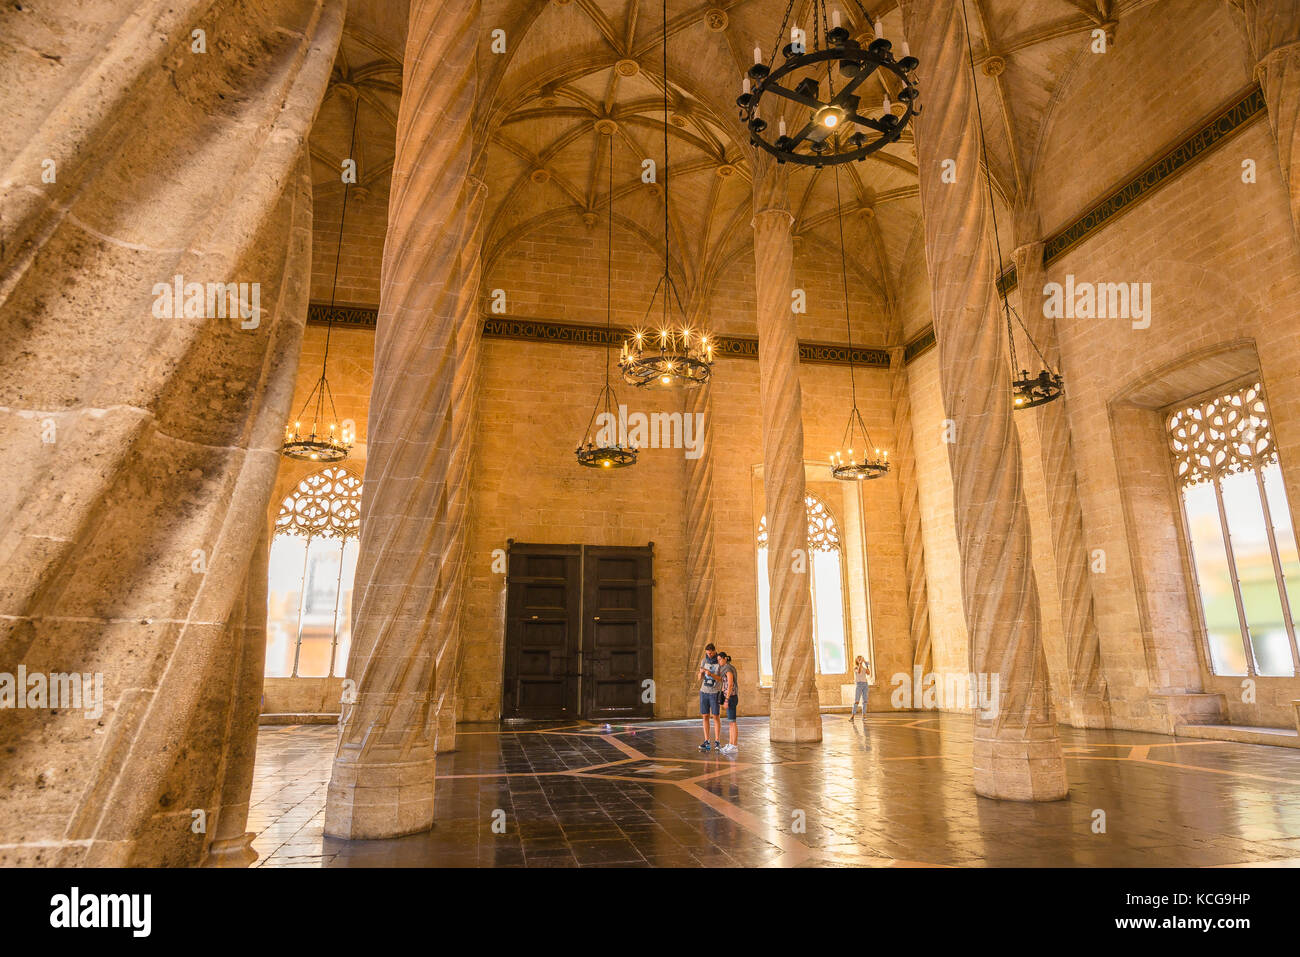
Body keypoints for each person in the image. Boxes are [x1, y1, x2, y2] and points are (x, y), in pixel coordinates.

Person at [697, 643, 723, 751]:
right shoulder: (704, 661)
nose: (709, 655)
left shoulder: (719, 662)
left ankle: (717, 741)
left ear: (715, 651)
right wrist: (701, 672)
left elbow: (721, 678)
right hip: (704, 691)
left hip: (714, 692)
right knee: (705, 716)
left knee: (715, 716)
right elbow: (699, 678)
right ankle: (706, 741)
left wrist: (711, 674)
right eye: (708, 653)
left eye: (711, 653)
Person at [717, 653, 739, 754]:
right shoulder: (726, 668)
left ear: (725, 659)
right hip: (729, 697)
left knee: (733, 722)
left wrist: (726, 699)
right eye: (718, 660)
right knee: (731, 722)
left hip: (731, 698)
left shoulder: (728, 669)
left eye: (720, 659)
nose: (719, 662)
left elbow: (730, 684)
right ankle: (731, 744)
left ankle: (734, 745)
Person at [850, 655, 871, 722]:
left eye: (860, 658)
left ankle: (864, 716)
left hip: (865, 684)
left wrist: (865, 663)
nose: (860, 660)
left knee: (865, 701)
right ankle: (852, 716)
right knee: (857, 701)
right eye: (858, 659)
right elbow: (858, 672)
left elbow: (868, 673)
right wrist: (860, 663)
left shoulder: (864, 668)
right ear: (856, 660)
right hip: (859, 685)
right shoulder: (855, 668)